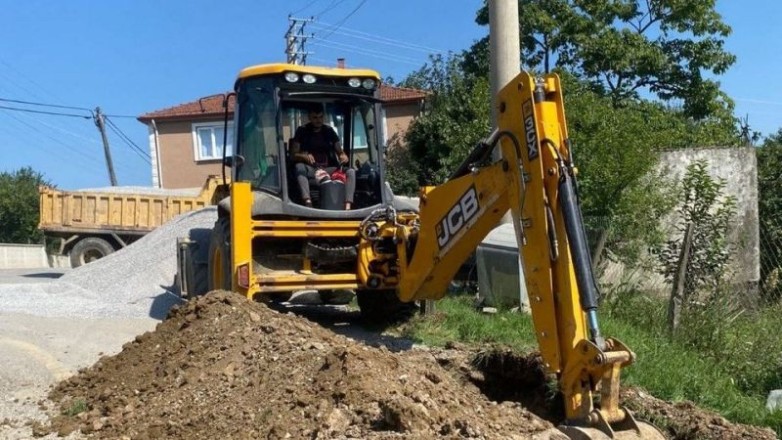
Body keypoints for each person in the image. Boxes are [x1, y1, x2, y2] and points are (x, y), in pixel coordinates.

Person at [290, 106, 356, 210]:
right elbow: (293, 155)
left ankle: (347, 206)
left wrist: (343, 156)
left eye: (320, 117)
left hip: (328, 169)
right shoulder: (302, 131)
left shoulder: (329, 131)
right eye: (315, 117)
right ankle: (308, 203)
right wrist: (303, 156)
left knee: (351, 172)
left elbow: (340, 152)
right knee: (299, 167)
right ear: (309, 118)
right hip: (311, 169)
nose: (318, 120)